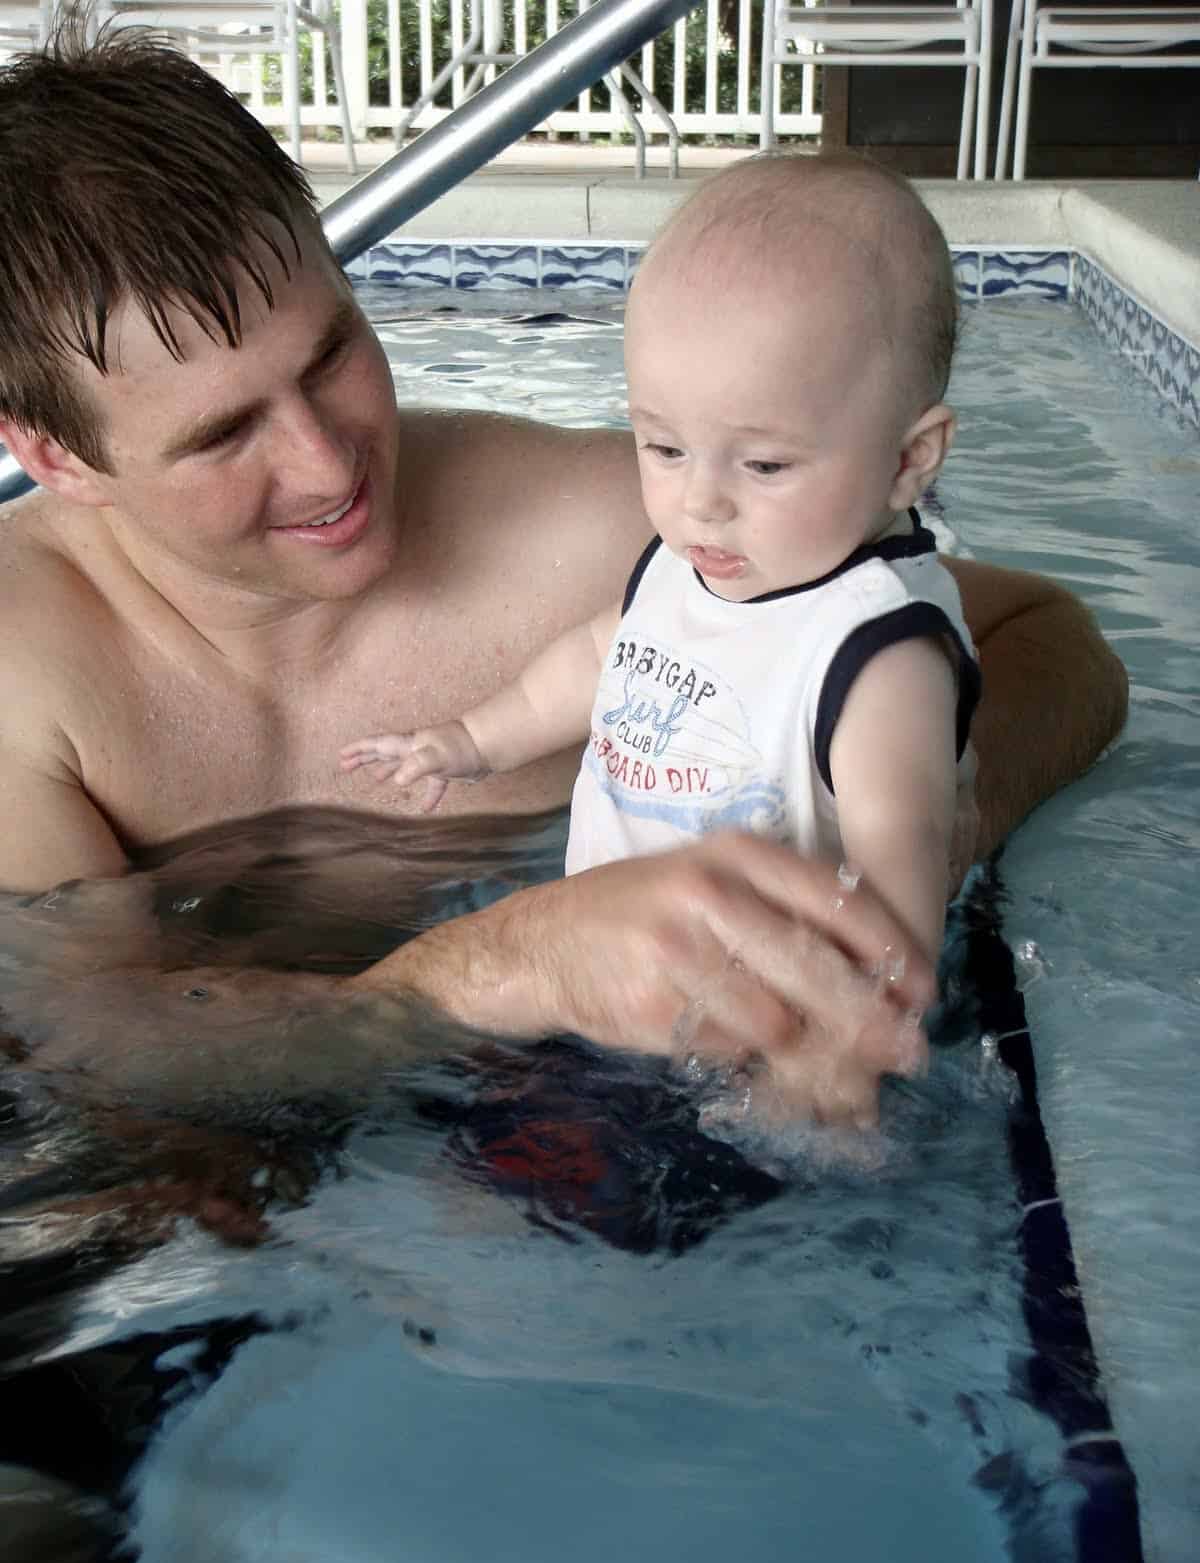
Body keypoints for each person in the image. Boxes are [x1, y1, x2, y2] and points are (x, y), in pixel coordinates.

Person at [0, 23, 1127, 1124]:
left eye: (333, 350)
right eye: (222, 433)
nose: (327, 459)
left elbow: (1054, 639)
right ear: (53, 456)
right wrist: (511, 961)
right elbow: (92, 1053)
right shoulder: (24, 676)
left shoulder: (606, 532)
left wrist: (889, 857)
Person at [341, 156, 977, 1012]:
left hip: (758, 1029)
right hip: (623, 991)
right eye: (664, 448)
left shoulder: (874, 654)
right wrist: (467, 743)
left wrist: (848, 1040)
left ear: (909, 461)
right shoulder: (690, 564)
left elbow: (902, 872)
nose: (701, 502)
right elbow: (599, 656)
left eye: (764, 463)